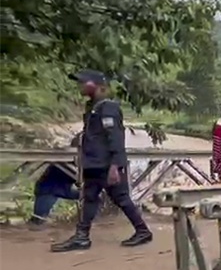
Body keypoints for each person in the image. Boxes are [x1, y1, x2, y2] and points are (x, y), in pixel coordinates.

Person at [51, 70, 152, 252]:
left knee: (120, 198)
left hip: (105, 164)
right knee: (91, 198)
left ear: (96, 85)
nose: (80, 86)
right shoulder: (93, 107)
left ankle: (142, 231)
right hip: (94, 163)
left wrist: (115, 166)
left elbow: (115, 138)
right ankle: (82, 236)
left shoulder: (108, 107)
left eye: (84, 82)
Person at [28, 165, 79, 229]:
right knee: (49, 185)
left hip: (53, 187)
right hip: (51, 188)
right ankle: (39, 219)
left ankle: (39, 219)